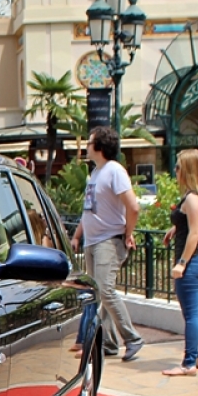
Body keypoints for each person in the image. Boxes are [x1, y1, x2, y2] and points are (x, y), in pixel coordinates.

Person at [72, 126, 145, 361]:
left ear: (100, 147)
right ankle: (109, 343)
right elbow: (89, 209)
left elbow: (133, 206)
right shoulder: (95, 173)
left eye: (90, 142)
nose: (86, 146)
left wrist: (127, 232)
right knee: (97, 293)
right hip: (93, 241)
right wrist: (77, 235)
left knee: (104, 289)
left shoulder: (115, 171)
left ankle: (132, 338)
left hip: (108, 241)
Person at [161, 149, 198, 377]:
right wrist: (176, 228)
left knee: (192, 314)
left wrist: (182, 263)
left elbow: (195, 233)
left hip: (194, 261)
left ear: (187, 170)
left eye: (178, 167)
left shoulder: (192, 199)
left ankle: (189, 363)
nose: (175, 171)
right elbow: (194, 227)